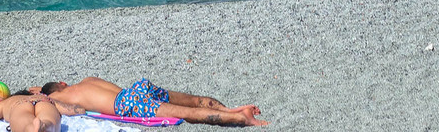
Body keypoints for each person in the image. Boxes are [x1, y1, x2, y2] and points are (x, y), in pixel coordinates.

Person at [28, 80, 265, 126]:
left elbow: (77, 110)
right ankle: (229, 107)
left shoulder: (56, 98)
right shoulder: (86, 81)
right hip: (137, 88)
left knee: (189, 112)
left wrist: (38, 97)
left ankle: (242, 118)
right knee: (194, 100)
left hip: (127, 102)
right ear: (62, 82)